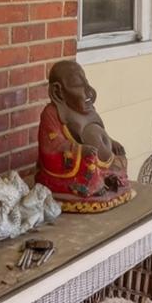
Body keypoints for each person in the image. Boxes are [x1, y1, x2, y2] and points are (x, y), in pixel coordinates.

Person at [36, 59, 134, 212]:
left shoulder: (85, 109)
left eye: (85, 82)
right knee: (89, 168)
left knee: (120, 162)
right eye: (77, 84)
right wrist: (80, 150)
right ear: (58, 91)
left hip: (101, 161)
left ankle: (106, 179)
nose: (88, 91)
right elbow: (51, 146)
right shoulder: (51, 113)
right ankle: (93, 185)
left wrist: (111, 143)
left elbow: (99, 131)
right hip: (77, 164)